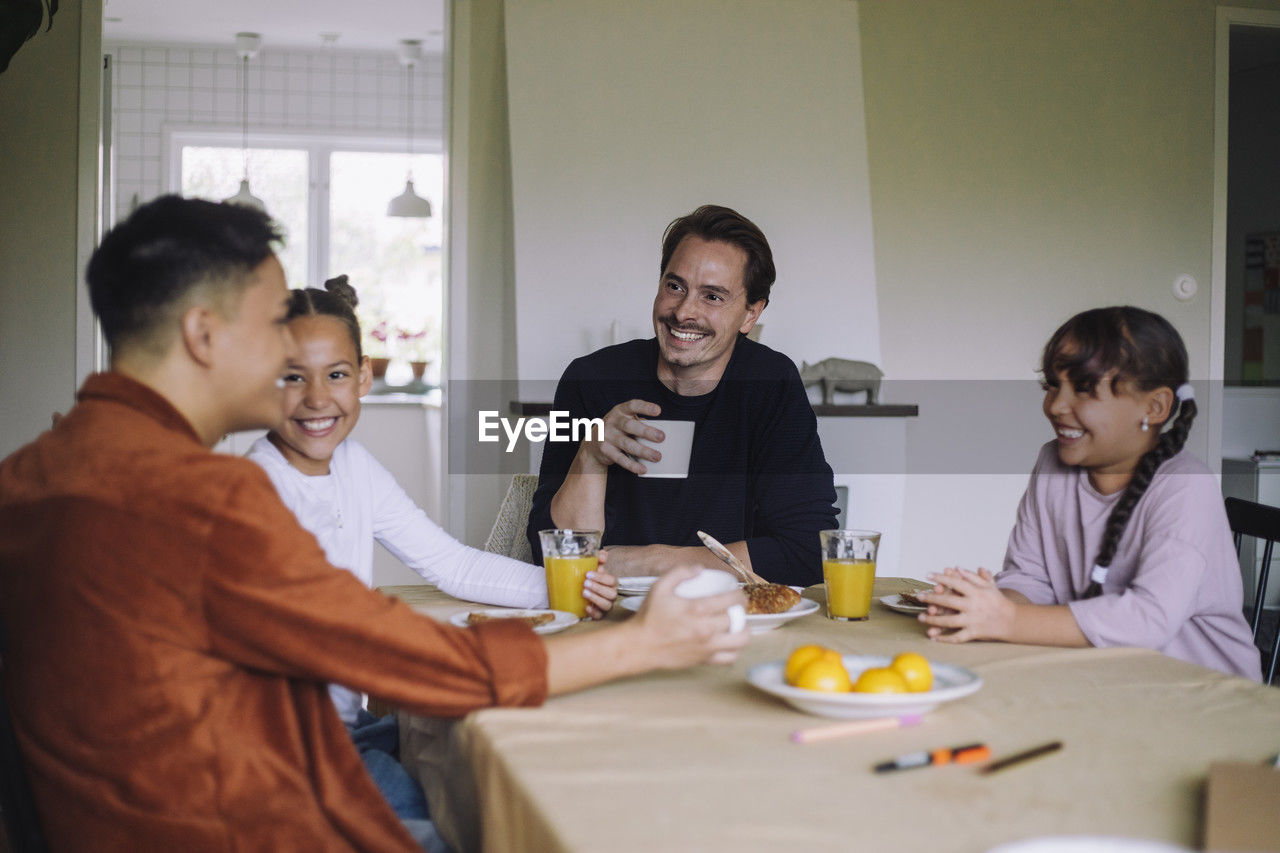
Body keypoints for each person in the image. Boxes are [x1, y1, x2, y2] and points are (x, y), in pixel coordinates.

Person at [0, 195, 750, 851]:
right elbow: (417, 660)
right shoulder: (204, 500)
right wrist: (643, 641)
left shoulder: (32, 473)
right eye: (272, 329)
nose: (289, 361)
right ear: (203, 334)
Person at [246, 275, 619, 821]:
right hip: (284, 747)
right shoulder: (257, 487)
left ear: (364, 377)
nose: (317, 398)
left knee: (463, 773)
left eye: (336, 375)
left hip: (342, 726)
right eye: (291, 377)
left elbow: (450, 563)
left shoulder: (353, 466)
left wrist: (564, 586)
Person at [918, 306, 1261, 681]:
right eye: (1051, 384)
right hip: (1106, 680)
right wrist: (986, 606)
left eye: (1083, 388)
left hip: (1204, 701)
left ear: (1155, 406)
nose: (1055, 405)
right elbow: (1030, 577)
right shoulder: (1052, 462)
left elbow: (1147, 620)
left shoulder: (1185, 486)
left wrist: (1008, 620)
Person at [527, 204, 838, 586]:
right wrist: (590, 457)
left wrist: (654, 561)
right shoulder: (591, 380)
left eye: (713, 297)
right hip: (607, 615)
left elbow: (810, 549)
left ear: (749, 315)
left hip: (727, 618)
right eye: (675, 286)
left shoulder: (770, 384)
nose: (683, 312)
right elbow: (548, 553)